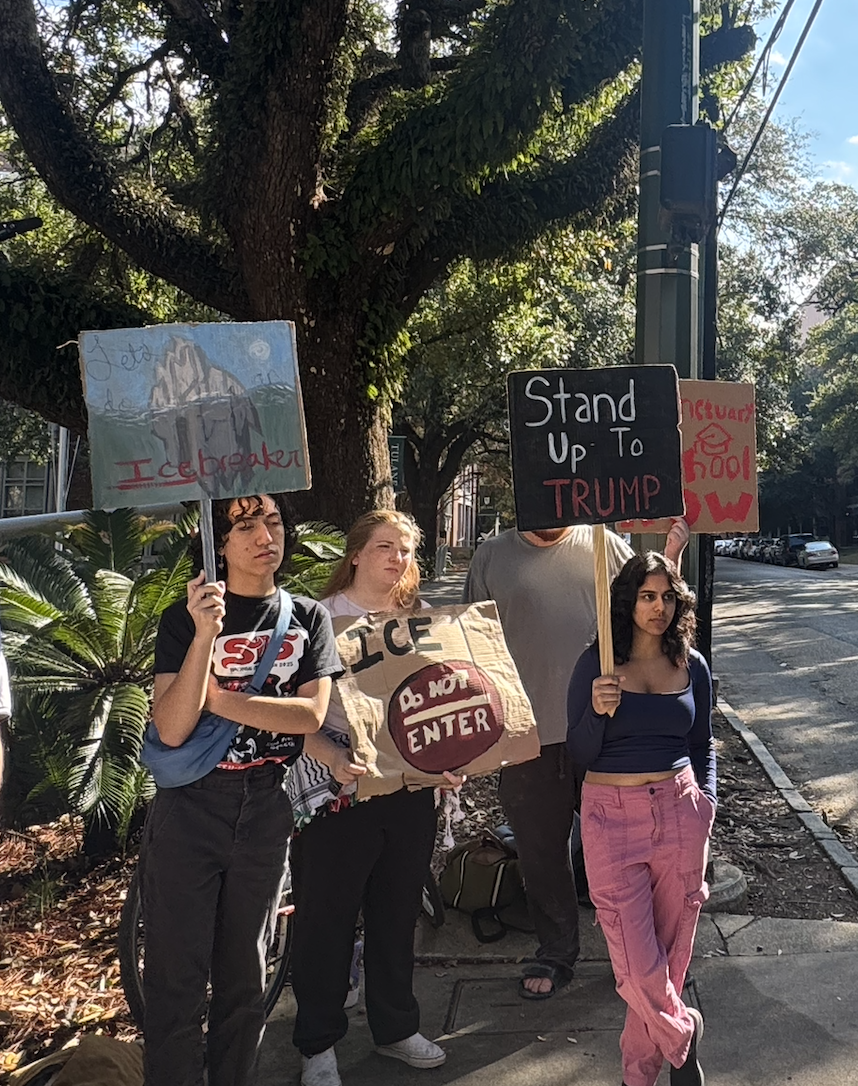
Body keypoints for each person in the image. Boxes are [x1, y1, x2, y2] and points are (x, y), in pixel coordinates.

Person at [140, 493, 342, 1086]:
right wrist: (206, 635)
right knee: (176, 976)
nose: (264, 536)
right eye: (245, 525)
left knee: (245, 974)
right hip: (191, 808)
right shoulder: (184, 619)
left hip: (266, 806)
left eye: (273, 522)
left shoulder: (308, 618)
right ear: (217, 544)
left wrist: (218, 698)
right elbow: (173, 728)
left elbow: (309, 717)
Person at [462, 520, 688, 998]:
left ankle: (644, 958)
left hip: (606, 727)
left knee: (635, 846)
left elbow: (654, 599)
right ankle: (556, 953)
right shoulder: (492, 555)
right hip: (527, 732)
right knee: (541, 852)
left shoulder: (603, 544)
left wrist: (673, 550)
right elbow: (470, 644)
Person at [288, 510, 457, 1086]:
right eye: (385, 546)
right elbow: (290, 712)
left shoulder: (419, 620)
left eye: (406, 550)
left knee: (395, 913)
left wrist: (450, 762)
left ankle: (395, 1028)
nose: (397, 558)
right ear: (356, 553)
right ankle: (317, 1044)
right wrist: (329, 754)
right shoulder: (315, 620)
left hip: (407, 795)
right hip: (340, 793)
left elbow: (438, 706)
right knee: (325, 920)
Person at [566, 552, 715, 1086]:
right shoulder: (597, 662)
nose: (658, 608)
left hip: (680, 811)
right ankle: (683, 1033)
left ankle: (638, 1076)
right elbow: (578, 755)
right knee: (635, 963)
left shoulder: (692, 665)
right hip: (612, 817)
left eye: (668, 597)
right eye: (647, 597)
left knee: (669, 960)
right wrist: (597, 712)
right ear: (628, 602)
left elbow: (702, 745)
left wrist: (706, 806)